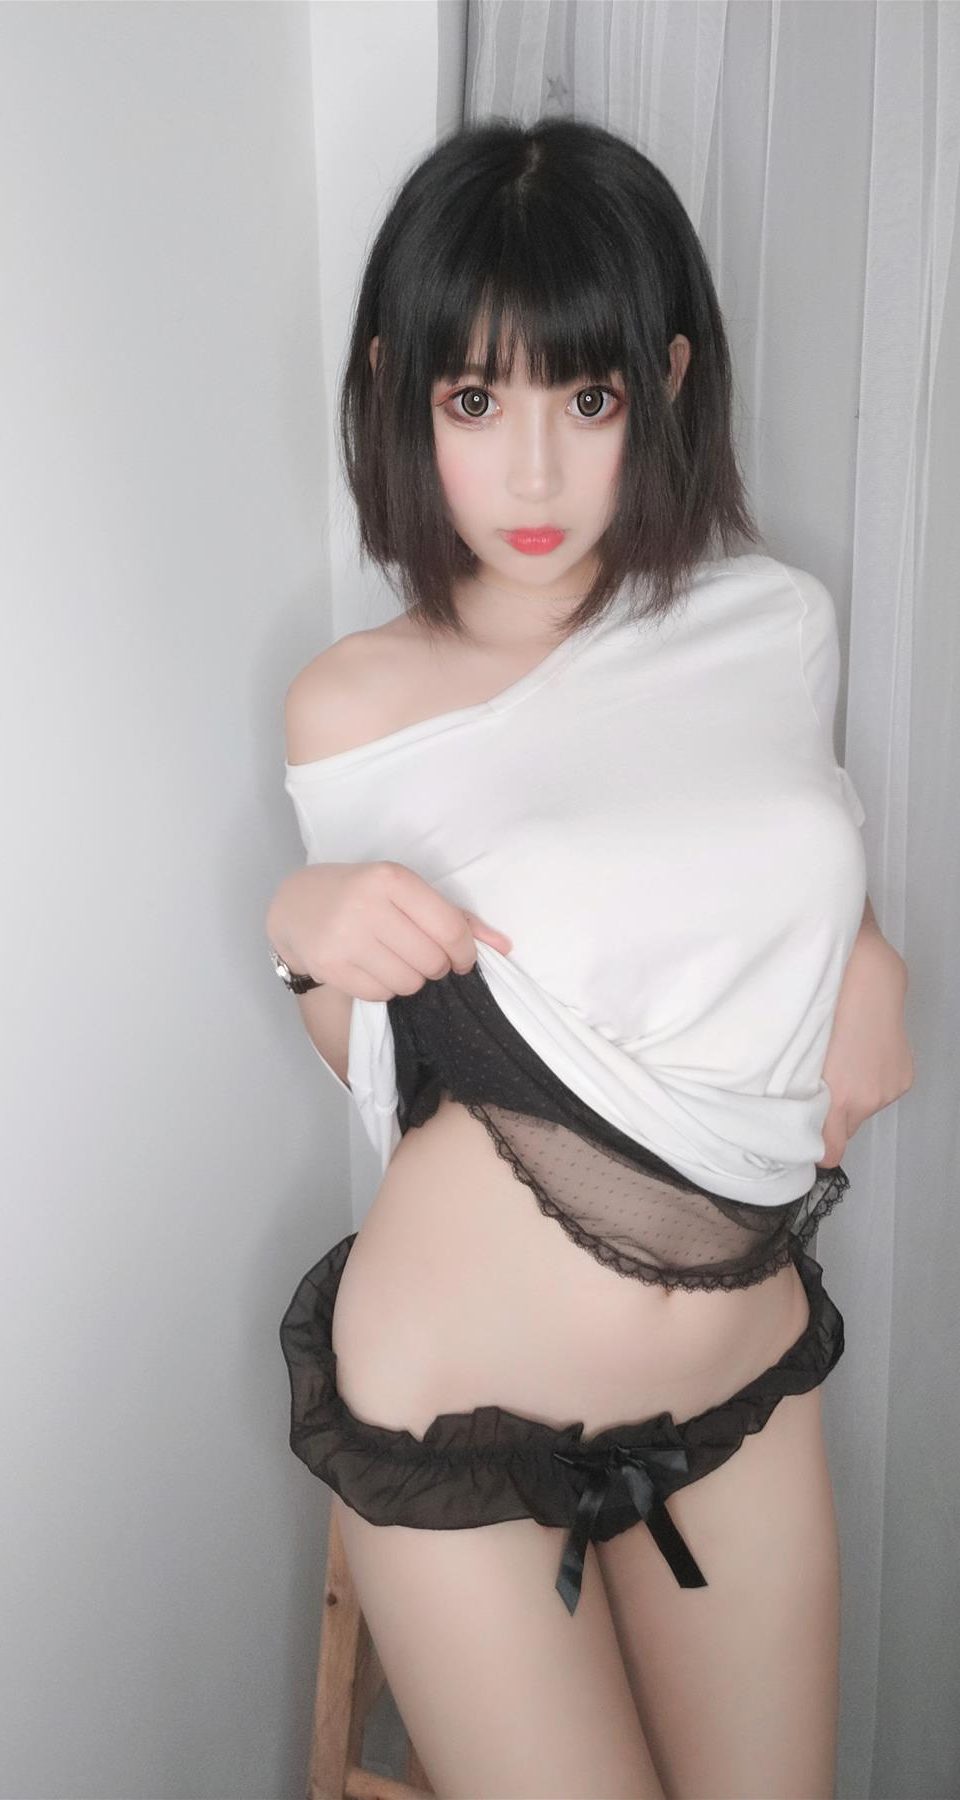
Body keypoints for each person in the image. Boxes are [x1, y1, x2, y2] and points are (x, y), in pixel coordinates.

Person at [267, 116, 902, 1800]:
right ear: (400, 392)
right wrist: (301, 937)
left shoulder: (775, 624)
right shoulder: (354, 700)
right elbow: (388, 1064)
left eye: (590, 398)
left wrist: (876, 950)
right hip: (453, 1407)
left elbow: (766, 858)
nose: (534, 477)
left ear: (668, 381)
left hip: (736, 1374)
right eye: (477, 401)